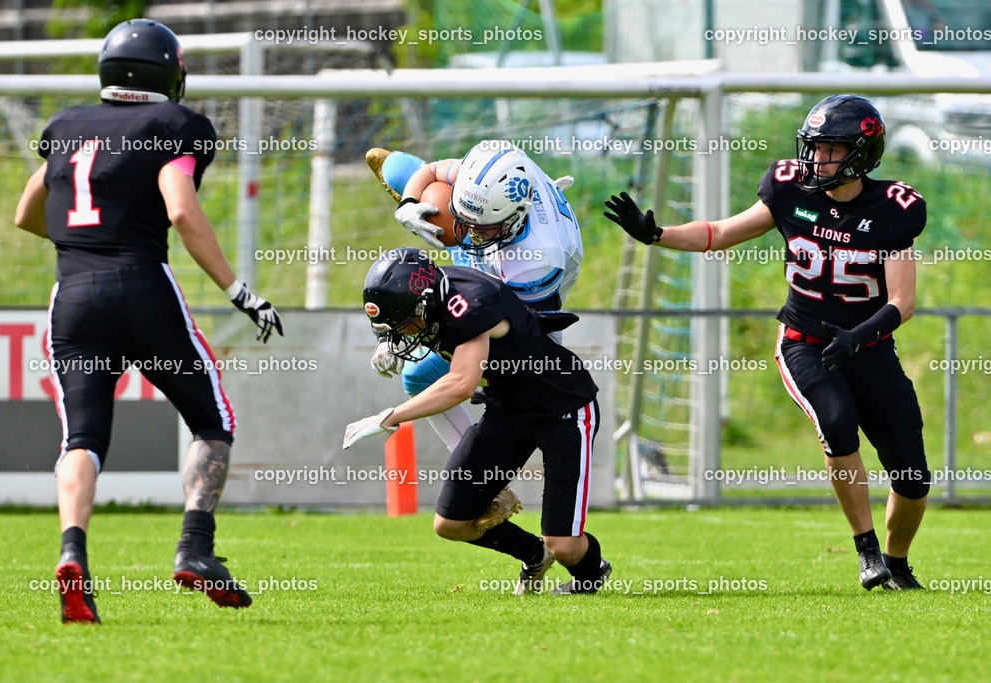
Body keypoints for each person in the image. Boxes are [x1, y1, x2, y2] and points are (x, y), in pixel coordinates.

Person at [14, 19, 283, 623]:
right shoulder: (174, 125)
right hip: (141, 286)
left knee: (81, 439)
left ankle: (72, 553)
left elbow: (27, 212)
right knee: (212, 420)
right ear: (170, 73)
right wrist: (239, 291)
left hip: (74, 295)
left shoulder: (66, 126)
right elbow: (182, 210)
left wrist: (84, 240)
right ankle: (195, 550)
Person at [604, 94, 929, 591]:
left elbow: (902, 302)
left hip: (868, 345)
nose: (816, 159)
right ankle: (867, 553)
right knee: (837, 423)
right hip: (806, 341)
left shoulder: (891, 210)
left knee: (911, 474)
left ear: (863, 152)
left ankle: (897, 562)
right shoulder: (788, 189)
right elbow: (718, 233)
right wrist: (657, 234)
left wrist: (858, 337)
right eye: (814, 147)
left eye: (831, 149)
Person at [343, 248, 610, 595]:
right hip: (509, 408)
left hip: (562, 406)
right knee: (451, 523)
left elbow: (461, 383)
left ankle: (589, 577)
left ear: (427, 303)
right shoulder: (432, 294)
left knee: (565, 544)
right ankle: (535, 555)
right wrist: (386, 337)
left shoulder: (471, 303)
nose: (407, 334)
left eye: (408, 323)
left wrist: (390, 417)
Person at [365, 141, 583, 532]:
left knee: (426, 377)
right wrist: (410, 204)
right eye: (462, 218)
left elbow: (506, 328)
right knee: (401, 168)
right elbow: (432, 169)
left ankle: (486, 480)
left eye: (477, 226)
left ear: (514, 218)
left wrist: (407, 330)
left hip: (522, 304)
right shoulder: (485, 179)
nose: (465, 234)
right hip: (499, 251)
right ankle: (484, 474)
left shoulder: (536, 262)